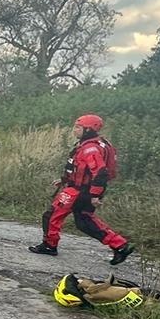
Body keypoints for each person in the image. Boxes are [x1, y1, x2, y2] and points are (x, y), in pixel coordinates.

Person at [30, 113, 134, 265]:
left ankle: (49, 245)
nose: (75, 130)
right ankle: (120, 245)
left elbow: (100, 172)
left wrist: (95, 195)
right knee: (84, 221)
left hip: (79, 191)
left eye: (78, 127)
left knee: (51, 215)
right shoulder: (93, 144)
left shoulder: (90, 149)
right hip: (83, 190)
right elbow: (78, 168)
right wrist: (64, 179)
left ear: (89, 129)